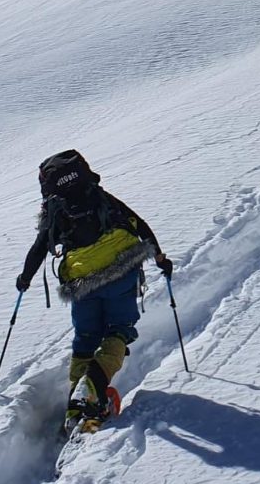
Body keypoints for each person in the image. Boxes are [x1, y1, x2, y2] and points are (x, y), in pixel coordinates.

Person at [16, 148, 172, 427]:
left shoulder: (55, 210)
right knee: (118, 331)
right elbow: (140, 225)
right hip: (122, 271)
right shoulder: (99, 197)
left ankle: (77, 405)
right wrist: (160, 258)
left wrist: (24, 279)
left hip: (82, 282)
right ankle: (93, 387)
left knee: (86, 337)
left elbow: (40, 247)